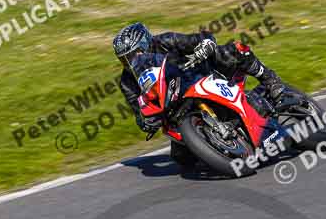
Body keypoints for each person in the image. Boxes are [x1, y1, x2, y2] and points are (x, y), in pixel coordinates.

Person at [112, 22, 289, 138]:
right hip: (174, 108)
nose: (130, 62)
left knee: (230, 51)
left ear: (144, 44)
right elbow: (139, 112)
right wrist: (147, 123)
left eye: (133, 54)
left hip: (201, 76)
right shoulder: (127, 82)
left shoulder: (165, 41)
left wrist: (205, 45)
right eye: (124, 59)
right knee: (182, 160)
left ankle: (270, 79)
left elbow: (203, 38)